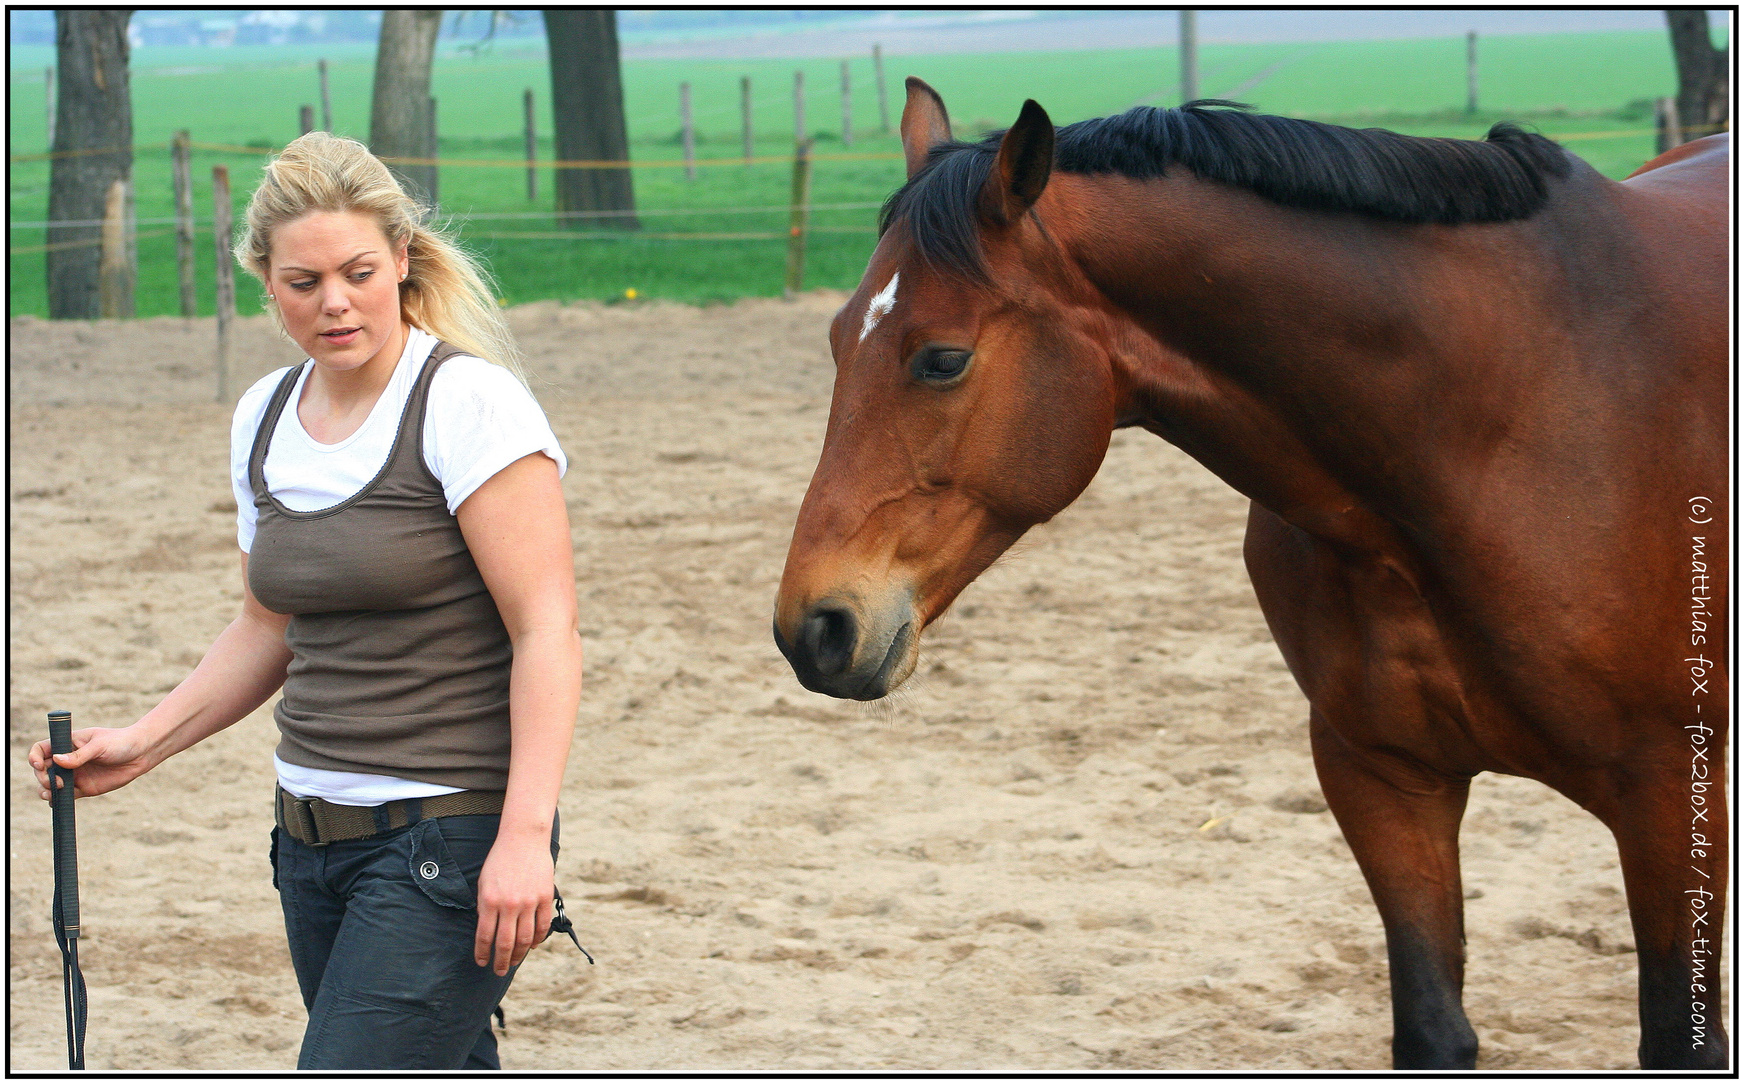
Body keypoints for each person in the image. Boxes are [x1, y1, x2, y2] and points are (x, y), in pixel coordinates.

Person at [29, 131, 583, 1070]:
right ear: (266, 281)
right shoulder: (264, 415)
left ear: (402, 261)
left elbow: (547, 631)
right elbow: (268, 624)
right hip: (307, 842)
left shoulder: (468, 407)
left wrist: (526, 839)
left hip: (447, 840)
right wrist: (143, 743)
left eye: (359, 272)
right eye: (303, 282)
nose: (335, 302)